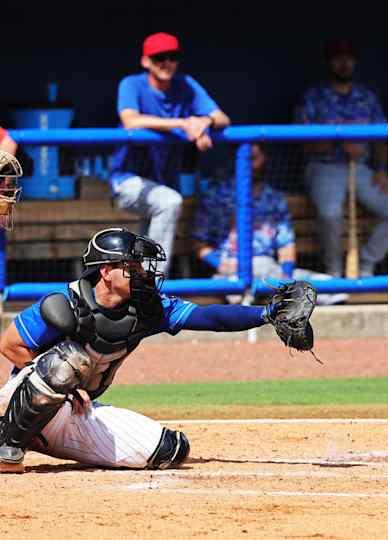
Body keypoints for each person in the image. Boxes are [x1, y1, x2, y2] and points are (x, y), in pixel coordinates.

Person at [0, 228, 315, 473]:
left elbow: (210, 317)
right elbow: (10, 345)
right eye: (132, 266)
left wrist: (267, 314)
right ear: (106, 271)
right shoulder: (65, 302)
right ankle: (8, 448)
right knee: (64, 364)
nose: (142, 272)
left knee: (168, 449)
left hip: (77, 413)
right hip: (27, 398)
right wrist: (66, 390)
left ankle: (39, 437)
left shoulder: (149, 309)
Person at [108, 32, 231, 275]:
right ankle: (151, 284)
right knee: (169, 202)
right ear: (146, 61)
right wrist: (184, 124)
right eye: (159, 58)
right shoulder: (132, 84)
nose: (166, 63)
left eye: (172, 57)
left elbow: (222, 117)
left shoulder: (185, 84)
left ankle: (137, 286)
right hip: (127, 181)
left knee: (147, 237)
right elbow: (131, 120)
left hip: (163, 182)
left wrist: (204, 123)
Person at [294, 39, 388, 277]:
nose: (344, 63)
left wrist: (381, 171)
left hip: (360, 167)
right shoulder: (314, 97)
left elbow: (381, 138)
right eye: (338, 58)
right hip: (324, 166)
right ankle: (335, 272)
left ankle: (365, 262)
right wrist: (338, 141)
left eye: (349, 58)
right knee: (329, 214)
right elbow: (303, 141)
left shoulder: (365, 96)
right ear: (329, 62)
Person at [193, 143, 348, 305]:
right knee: (237, 295)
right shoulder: (216, 195)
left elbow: (286, 245)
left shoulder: (274, 198)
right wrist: (220, 264)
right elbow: (199, 243)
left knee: (334, 288)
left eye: (254, 158)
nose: (249, 164)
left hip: (268, 268)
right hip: (232, 269)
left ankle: (272, 296)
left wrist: (286, 277)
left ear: (264, 158)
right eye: (244, 159)